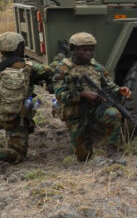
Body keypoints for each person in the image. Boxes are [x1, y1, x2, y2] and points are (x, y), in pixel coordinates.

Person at [51, 32, 131, 162]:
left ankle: (113, 153)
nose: (89, 53)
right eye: (84, 50)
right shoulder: (63, 69)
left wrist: (119, 90)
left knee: (114, 114)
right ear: (74, 49)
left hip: (95, 110)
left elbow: (108, 85)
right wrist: (82, 94)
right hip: (76, 114)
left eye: (91, 50)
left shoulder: (97, 67)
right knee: (84, 157)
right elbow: (60, 95)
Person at [0, 32, 52, 164]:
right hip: (15, 118)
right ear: (19, 48)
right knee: (17, 155)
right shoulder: (29, 67)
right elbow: (51, 71)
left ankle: (11, 131)